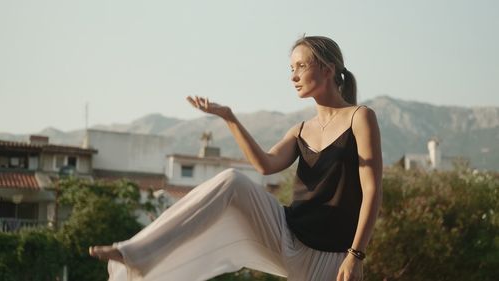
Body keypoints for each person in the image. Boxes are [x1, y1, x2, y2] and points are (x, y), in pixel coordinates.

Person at [89, 35, 383, 281]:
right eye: (290, 68)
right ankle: (136, 254)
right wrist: (229, 118)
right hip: (288, 235)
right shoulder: (300, 130)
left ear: (328, 69)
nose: (293, 76)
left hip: (332, 257)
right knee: (232, 181)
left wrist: (356, 254)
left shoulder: (360, 118)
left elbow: (372, 191)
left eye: (301, 66)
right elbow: (265, 165)